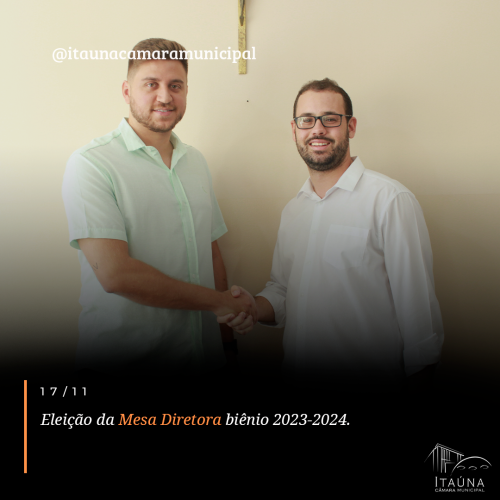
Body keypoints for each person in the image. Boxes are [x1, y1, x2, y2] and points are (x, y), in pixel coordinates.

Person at [219, 78, 444, 391]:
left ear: (350, 127)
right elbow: (283, 291)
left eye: (330, 119)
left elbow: (420, 323)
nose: (318, 129)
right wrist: (253, 308)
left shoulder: (390, 200)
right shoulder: (293, 211)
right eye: (307, 120)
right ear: (295, 130)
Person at [62, 38, 255, 376]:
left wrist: (227, 346)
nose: (165, 97)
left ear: (186, 91)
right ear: (127, 91)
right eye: (151, 84)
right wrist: (221, 303)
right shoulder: (91, 164)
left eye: (175, 85)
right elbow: (115, 274)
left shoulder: (195, 162)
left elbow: (211, 255)